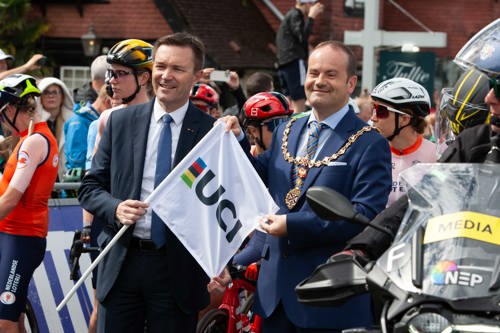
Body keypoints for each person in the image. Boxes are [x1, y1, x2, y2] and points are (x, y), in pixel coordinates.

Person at [221, 40, 392, 332]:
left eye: (330, 74)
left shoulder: (370, 142)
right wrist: (236, 141)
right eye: (314, 73)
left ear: (351, 83)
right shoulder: (289, 127)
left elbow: (364, 214)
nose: (319, 82)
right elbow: (259, 177)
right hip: (274, 294)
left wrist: (292, 224)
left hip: (329, 295)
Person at [78, 32, 216, 333]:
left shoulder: (212, 133)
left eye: (177, 69)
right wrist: (116, 208)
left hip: (177, 270)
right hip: (122, 263)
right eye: (161, 66)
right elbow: (89, 188)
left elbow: (241, 190)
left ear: (196, 76)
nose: (166, 76)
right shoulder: (120, 122)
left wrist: (239, 136)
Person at [344, 18, 500, 262]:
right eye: (491, 86)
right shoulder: (477, 143)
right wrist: (361, 248)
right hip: (462, 273)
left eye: (498, 88)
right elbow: (423, 195)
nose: (490, 97)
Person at [82, 38, 153, 333]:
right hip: (114, 229)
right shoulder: (108, 118)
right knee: (102, 314)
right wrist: (86, 227)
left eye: (120, 73)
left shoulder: (166, 119)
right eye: (110, 73)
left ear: (144, 77)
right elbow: (94, 180)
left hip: (158, 248)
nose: (112, 81)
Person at [0, 74, 59, 333]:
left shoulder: (33, 142)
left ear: (11, 109)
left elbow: (12, 198)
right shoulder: (29, 137)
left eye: (1, 116)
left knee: (4, 321)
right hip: (12, 235)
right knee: (13, 315)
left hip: (21, 237)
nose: (1, 124)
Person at [370, 77, 437, 206]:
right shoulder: (369, 154)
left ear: (404, 119)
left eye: (380, 111)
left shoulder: (435, 156)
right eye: (373, 109)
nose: (373, 118)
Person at [276, 0, 324, 114]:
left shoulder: (291, 15)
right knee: (299, 98)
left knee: (288, 100)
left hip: (283, 62)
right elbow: (303, 36)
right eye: (312, 4)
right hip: (293, 61)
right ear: (307, 4)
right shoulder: (296, 14)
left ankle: (291, 125)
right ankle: (298, 127)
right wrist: (311, 17)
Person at [37, 77, 74, 181]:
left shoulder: (73, 121)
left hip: (65, 178)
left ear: (62, 97)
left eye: (55, 92)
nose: (51, 96)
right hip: (41, 177)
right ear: (40, 97)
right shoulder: (33, 121)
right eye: (46, 92)